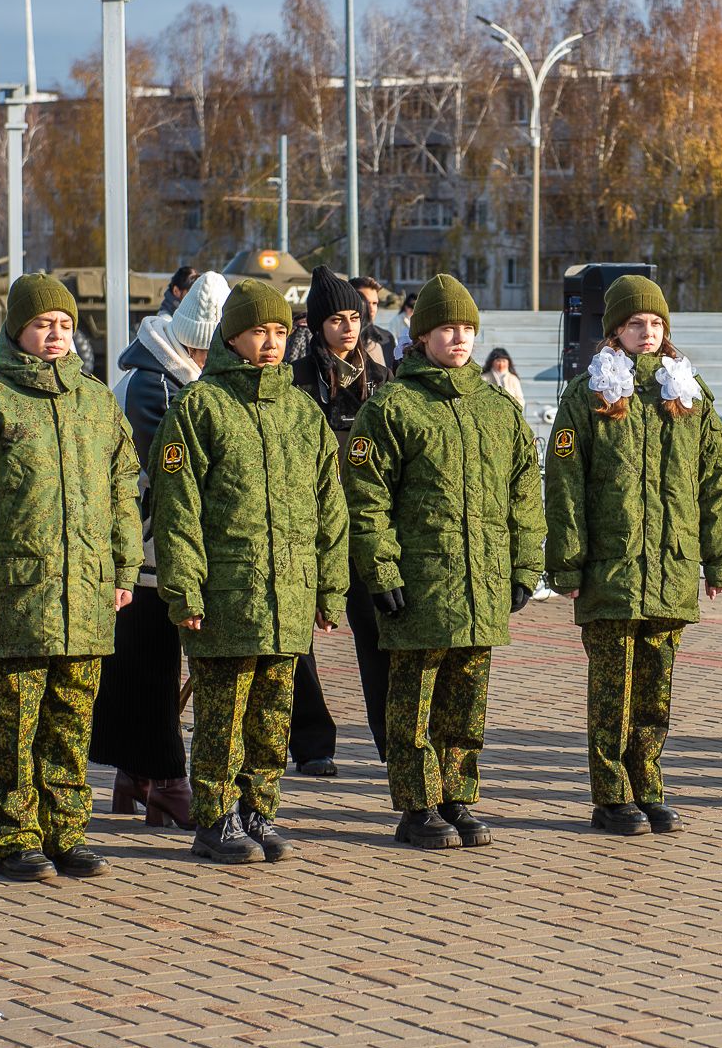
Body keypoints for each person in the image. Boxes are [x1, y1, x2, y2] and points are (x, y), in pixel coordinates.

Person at [0, 274, 140, 882]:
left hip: (86, 593)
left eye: (65, 325)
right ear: (17, 327)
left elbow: (124, 487)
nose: (55, 335)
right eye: (44, 323)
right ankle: (16, 837)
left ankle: (67, 831)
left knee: (72, 718)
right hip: (13, 596)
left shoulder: (96, 402)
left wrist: (123, 567)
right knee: (13, 724)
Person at [149, 280, 349, 864]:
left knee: (272, 711)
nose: (271, 343)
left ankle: (259, 810)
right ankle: (215, 817)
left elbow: (328, 504)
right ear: (230, 336)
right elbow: (177, 506)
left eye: (281, 332)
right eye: (259, 331)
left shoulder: (300, 410)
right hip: (224, 593)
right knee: (221, 713)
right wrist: (184, 587)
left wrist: (330, 586)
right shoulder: (200, 407)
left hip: (287, 592)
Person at [341, 273, 544, 850]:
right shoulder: (394, 406)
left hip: (482, 583)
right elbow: (367, 496)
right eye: (447, 329)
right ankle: (416, 805)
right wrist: (380, 571)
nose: (459, 339)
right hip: (421, 584)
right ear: (422, 335)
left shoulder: (497, 409)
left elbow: (524, 493)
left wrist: (525, 567)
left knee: (466, 702)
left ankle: (457, 796)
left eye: (467, 329)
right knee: (413, 701)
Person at [546, 274, 722, 835]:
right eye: (636, 324)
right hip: (611, 568)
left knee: (656, 686)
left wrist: (718, 558)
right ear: (615, 330)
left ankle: (648, 784)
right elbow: (564, 485)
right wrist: (567, 562)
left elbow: (716, 479)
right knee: (612, 687)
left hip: (671, 566)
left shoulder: (689, 391)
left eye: (656, 323)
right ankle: (610, 795)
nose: (647, 332)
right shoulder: (589, 394)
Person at [93, 271, 229, 828]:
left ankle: (137, 775)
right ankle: (167, 779)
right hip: (152, 549)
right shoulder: (157, 386)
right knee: (150, 669)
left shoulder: (169, 376)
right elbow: (177, 477)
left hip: (158, 549)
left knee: (147, 670)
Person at [289, 266, 393, 766]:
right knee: (298, 640)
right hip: (310, 528)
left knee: (376, 632)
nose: (348, 328)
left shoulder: (380, 373)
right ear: (316, 324)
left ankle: (394, 743)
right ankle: (311, 744)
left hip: (366, 527)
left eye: (354, 316)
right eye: (336, 319)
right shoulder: (298, 376)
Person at [352, 274, 397, 366]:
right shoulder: (342, 338)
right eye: (365, 302)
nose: (371, 308)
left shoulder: (387, 338)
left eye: (375, 303)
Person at [391, 292, 417, 359]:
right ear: (405, 306)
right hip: (400, 354)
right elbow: (392, 337)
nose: (412, 309)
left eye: (414, 307)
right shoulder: (396, 320)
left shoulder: (420, 320)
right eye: (410, 306)